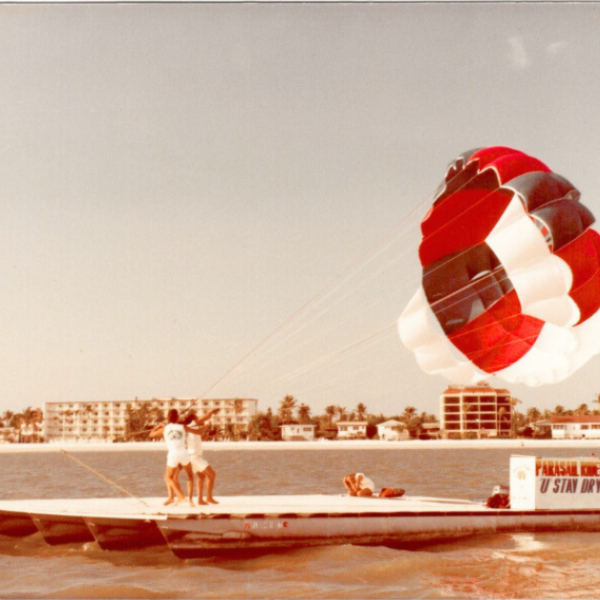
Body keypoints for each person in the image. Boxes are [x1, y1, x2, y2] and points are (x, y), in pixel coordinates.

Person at [149, 408, 196, 507]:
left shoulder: (169, 427)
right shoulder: (181, 426)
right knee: (173, 477)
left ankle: (180, 496)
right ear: (177, 417)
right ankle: (173, 498)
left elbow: (151, 435)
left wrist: (158, 426)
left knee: (168, 477)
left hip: (175, 455)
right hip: (183, 454)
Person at [183, 409, 220, 505]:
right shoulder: (192, 425)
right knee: (212, 475)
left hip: (193, 456)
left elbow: (201, 438)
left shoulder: (192, 429)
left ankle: (200, 500)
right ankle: (209, 498)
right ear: (193, 419)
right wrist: (212, 411)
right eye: (196, 418)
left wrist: (209, 434)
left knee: (201, 477)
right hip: (195, 456)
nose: (199, 419)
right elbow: (205, 417)